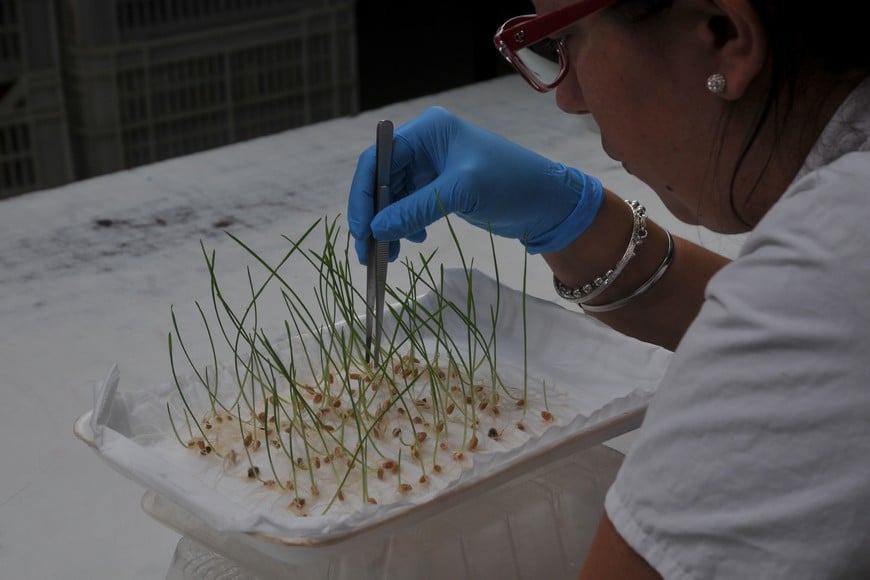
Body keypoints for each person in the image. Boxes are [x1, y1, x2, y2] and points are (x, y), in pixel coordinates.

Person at [347, 0, 870, 578]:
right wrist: (573, 221)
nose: (569, 100)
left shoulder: (839, 256)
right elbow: (800, 348)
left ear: (725, 34)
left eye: (568, 39)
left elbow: (802, 326)